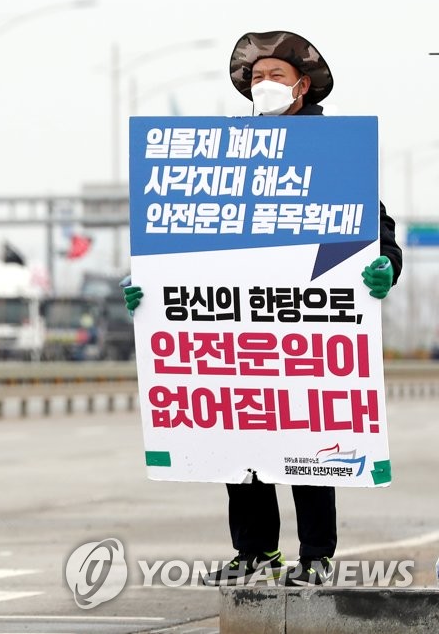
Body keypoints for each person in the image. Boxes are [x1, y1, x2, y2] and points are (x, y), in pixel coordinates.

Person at [122, 30, 404, 587]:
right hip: (240, 330)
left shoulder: (333, 153)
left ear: (303, 85)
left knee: (308, 444)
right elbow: (185, 238)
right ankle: (254, 553)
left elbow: (380, 235)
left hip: (305, 327)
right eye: (256, 78)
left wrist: (384, 268)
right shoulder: (226, 156)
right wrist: (150, 284)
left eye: (276, 76)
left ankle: (317, 555)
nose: (265, 85)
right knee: (240, 437)